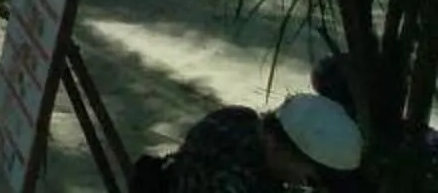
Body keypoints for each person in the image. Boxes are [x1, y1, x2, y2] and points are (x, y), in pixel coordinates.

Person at [135, 94, 363, 192]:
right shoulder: (232, 181)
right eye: (310, 179)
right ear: (277, 145)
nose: (307, 184)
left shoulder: (238, 118)